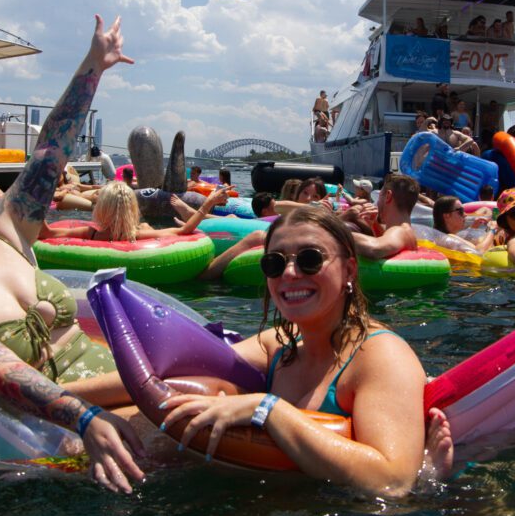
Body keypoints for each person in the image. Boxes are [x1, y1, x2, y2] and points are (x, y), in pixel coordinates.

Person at [159, 206, 453, 496]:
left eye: (309, 259)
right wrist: (111, 417)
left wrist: (267, 410)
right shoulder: (277, 345)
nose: (289, 272)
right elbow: (162, 373)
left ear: (349, 269)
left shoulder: (380, 355)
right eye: (274, 263)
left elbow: (393, 481)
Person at [0, 14, 145, 492]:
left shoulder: (5, 230)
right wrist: (84, 417)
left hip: (116, 384)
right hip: (62, 427)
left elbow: (52, 148)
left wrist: (94, 65)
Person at [41, 180, 231, 242]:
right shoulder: (139, 235)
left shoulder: (90, 233)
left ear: (102, 209)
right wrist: (207, 203)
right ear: (132, 208)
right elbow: (185, 231)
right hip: (138, 233)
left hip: (101, 238)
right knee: (146, 224)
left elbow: (47, 233)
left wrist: (38, 201)